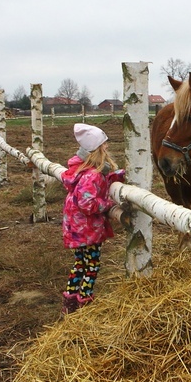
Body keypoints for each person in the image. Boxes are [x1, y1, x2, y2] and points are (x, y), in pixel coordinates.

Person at [60, 123, 125, 314]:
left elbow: (102, 179)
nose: (107, 147)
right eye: (104, 144)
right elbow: (87, 203)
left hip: (77, 228)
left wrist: (117, 176)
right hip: (87, 229)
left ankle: (70, 302)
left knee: (80, 263)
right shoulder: (92, 176)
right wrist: (108, 204)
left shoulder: (83, 170)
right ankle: (85, 301)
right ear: (96, 149)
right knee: (92, 265)